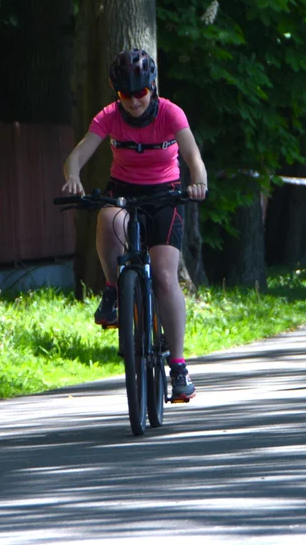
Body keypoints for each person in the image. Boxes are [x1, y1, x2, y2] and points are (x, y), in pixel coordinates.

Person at [61, 48, 208, 402]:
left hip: (166, 195)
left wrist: (198, 182)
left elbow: (193, 158)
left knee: (163, 276)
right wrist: (72, 178)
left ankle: (177, 365)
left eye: (140, 92)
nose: (134, 102)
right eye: (125, 94)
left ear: (152, 87)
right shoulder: (109, 117)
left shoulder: (170, 113)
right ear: (116, 93)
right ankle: (113, 289)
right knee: (107, 216)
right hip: (124, 191)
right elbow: (76, 157)